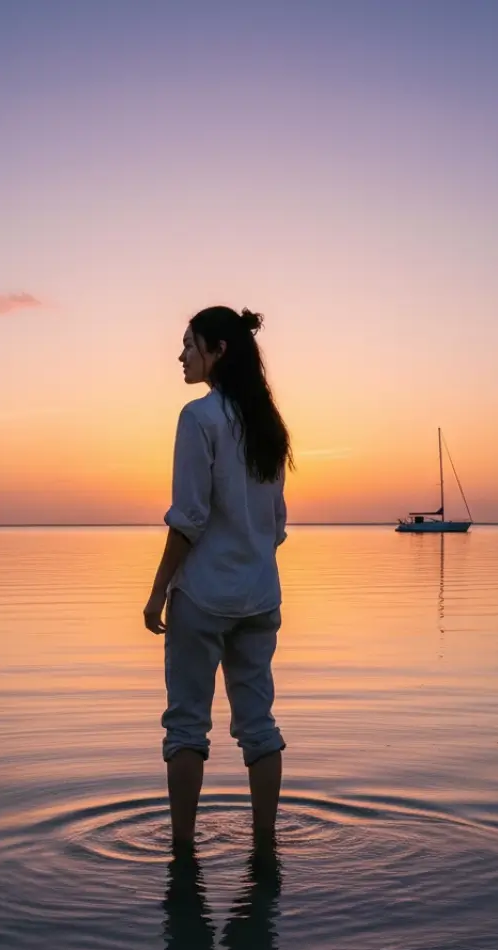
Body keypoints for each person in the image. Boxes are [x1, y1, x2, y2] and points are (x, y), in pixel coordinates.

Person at [144, 305, 293, 850]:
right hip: (259, 597)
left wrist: (159, 591)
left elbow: (189, 517)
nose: (181, 354)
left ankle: (182, 854)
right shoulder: (268, 428)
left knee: (186, 726)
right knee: (259, 725)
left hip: (203, 598)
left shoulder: (198, 418)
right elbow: (276, 525)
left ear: (218, 351)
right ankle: (265, 848)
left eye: (189, 344)